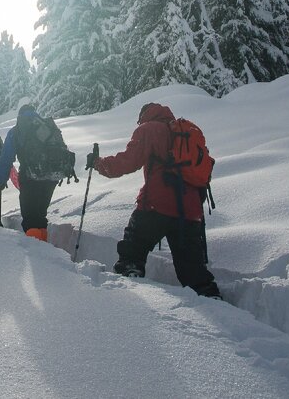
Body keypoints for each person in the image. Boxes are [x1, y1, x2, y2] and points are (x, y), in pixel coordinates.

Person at [88, 102, 221, 299]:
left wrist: (99, 164)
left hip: (156, 204)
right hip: (190, 211)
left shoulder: (149, 129)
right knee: (192, 265)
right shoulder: (185, 132)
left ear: (144, 116)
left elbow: (128, 161)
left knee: (133, 246)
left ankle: (128, 284)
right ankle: (209, 296)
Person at [0, 103, 74, 242]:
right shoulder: (47, 126)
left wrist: (0, 181)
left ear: (20, 116)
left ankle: (37, 255)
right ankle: (43, 247)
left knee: (30, 218)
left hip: (30, 178)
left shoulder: (17, 130)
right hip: (51, 177)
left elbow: (6, 158)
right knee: (39, 216)